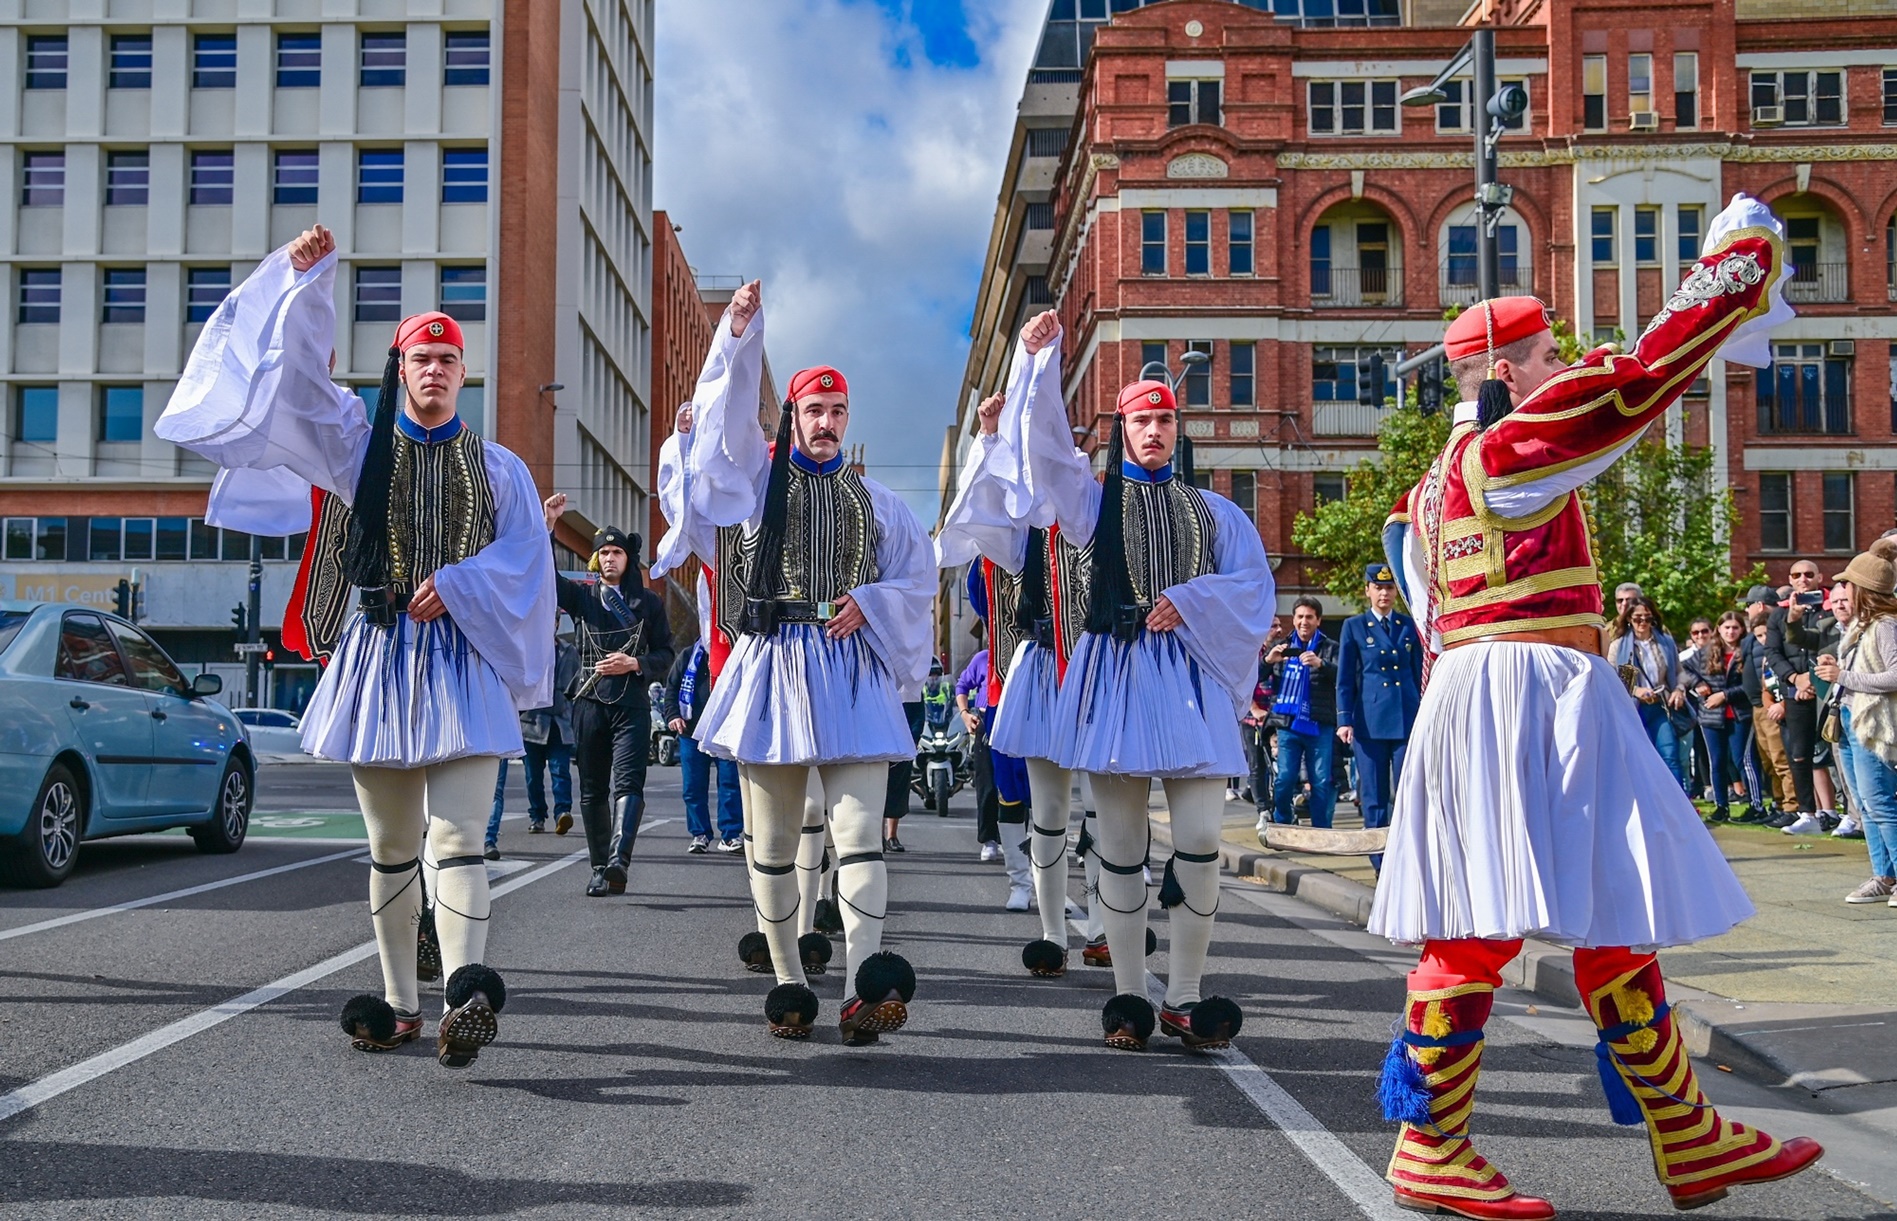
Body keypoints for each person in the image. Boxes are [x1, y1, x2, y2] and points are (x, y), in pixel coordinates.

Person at [1370, 197, 1819, 1218]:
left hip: (1497, 688)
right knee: (1490, 926)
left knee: (1603, 909)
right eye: (1540, 355)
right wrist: (1732, 268)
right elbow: (1635, 384)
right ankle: (1431, 1142)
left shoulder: (1434, 482)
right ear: (1500, 371)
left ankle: (1684, 1133)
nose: (1556, 367)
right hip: (1526, 688)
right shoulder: (1504, 447)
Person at [156, 225, 552, 1067]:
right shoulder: (356, 442)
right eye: (422, 359)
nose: (436, 371)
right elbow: (296, 383)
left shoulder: (502, 468)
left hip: (463, 665)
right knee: (391, 847)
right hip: (378, 659)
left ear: (462, 374)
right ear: (400, 370)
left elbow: (525, 558)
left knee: (460, 838)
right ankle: (402, 1004)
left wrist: (463, 583)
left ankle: (466, 990)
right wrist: (306, 283)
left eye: (449, 361)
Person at [650, 280, 933, 1044]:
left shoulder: (879, 503)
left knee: (859, 834)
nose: (827, 422)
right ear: (794, 416)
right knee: (772, 843)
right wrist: (737, 334)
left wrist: (870, 602)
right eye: (815, 409)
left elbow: (917, 577)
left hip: (848, 671)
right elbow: (724, 419)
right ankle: (789, 981)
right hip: (773, 663)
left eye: (838, 411)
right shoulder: (748, 484)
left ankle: (863, 985)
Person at [1005, 308, 1275, 1052]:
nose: (1152, 431)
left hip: (1185, 679)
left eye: (1162, 419)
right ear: (1121, 429)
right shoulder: (1089, 503)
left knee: (1197, 840)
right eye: (1140, 420)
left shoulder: (1215, 511)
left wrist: (1189, 601)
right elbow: (1045, 450)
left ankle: (1184, 995)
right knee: (1119, 846)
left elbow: (1254, 592)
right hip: (1115, 676)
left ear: (1176, 428)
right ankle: (1129, 998)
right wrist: (1038, 363)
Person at [937, 379, 1118, 978]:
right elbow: (982, 512)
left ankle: (1100, 925)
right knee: (1049, 808)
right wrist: (989, 441)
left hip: (1095, 671)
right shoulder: (1020, 531)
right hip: (1039, 670)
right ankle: (1050, 931)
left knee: (1100, 808)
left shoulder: (1104, 516)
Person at [540, 511, 676, 897]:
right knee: (592, 788)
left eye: (617, 552)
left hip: (631, 702)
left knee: (630, 782)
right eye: (604, 553)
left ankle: (619, 861)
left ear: (627, 559)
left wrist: (635, 663)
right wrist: (547, 529)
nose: (610, 558)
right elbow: (547, 579)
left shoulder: (648, 602)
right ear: (595, 560)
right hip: (588, 701)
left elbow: (666, 653)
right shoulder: (583, 596)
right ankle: (599, 867)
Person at [1816, 539, 1897, 903]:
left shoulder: (1885, 625)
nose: (1843, 588)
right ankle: (1883, 877)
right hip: (1849, 719)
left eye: (1848, 582)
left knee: (1880, 803)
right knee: (1866, 805)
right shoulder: (1863, 624)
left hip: (1872, 725)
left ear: (1863, 588)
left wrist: (1843, 677)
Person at [1335, 564, 1421, 872]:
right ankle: (1380, 861)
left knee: (1408, 790)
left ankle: (1408, 855)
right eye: (1378, 587)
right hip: (1370, 722)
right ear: (1368, 590)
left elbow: (1418, 671)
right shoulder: (1355, 627)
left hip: (1406, 717)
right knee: (1373, 795)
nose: (1384, 593)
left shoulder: (1408, 625)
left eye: (1389, 588)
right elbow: (1345, 678)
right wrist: (1344, 719)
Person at [959, 572, 1034, 910]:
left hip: (1048, 690)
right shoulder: (991, 569)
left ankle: (1047, 883)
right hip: (999, 703)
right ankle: (1020, 882)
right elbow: (977, 585)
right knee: (1004, 790)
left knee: (1048, 802)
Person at [486, 622, 579, 856]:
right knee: (533, 776)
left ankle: (562, 812)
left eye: (554, 620)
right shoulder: (526, 650)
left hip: (560, 721)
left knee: (560, 771)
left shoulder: (569, 651)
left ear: (557, 623)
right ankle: (537, 815)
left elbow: (577, 685)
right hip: (532, 722)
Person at [1767, 559, 1839, 828]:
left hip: (1826, 688)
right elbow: (1772, 653)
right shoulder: (1778, 615)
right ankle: (1806, 812)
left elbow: (1828, 645)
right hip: (1794, 690)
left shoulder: (1832, 607)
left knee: (1834, 749)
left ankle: (1835, 811)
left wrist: (1810, 679)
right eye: (1797, 575)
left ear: (1819, 577)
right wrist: (1795, 678)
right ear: (1790, 578)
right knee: (1799, 753)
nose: (1803, 579)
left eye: (1809, 574)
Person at [664, 637, 744, 854]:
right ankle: (699, 834)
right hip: (691, 732)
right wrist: (673, 715)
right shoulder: (689, 656)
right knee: (693, 788)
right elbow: (671, 689)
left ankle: (731, 835)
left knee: (730, 785)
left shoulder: (735, 652)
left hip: (724, 732)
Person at [1268, 598, 1339, 829]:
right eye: (1299, 617)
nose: (1304, 622)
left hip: (1319, 724)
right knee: (1285, 779)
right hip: (1288, 724)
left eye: (1309, 617)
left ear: (1318, 620)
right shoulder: (1282, 646)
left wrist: (1322, 664)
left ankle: (1321, 830)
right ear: (1294, 619)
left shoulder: (1331, 648)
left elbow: (1344, 678)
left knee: (1319, 781)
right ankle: (1282, 824)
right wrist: (1268, 661)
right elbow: (1255, 678)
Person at [1608, 596, 1691, 790]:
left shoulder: (1666, 643)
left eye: (1647, 618)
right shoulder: (1618, 646)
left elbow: (1680, 673)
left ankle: (1678, 808)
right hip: (1632, 709)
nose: (1643, 623)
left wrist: (1679, 689)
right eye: (1637, 618)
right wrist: (1636, 690)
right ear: (1628, 618)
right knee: (1638, 759)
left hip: (1661, 705)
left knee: (1670, 755)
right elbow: (1611, 679)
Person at [1682, 613, 1759, 824]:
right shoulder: (1707, 652)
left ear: (1741, 629)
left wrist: (1725, 695)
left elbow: (1751, 684)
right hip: (1710, 714)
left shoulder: (1747, 651)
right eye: (1726, 627)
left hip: (1738, 712)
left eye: (1735, 627)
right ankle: (1721, 806)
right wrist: (1697, 683)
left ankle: (1755, 804)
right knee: (1716, 761)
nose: (1730, 632)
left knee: (1742, 759)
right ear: (1719, 629)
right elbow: (1684, 669)